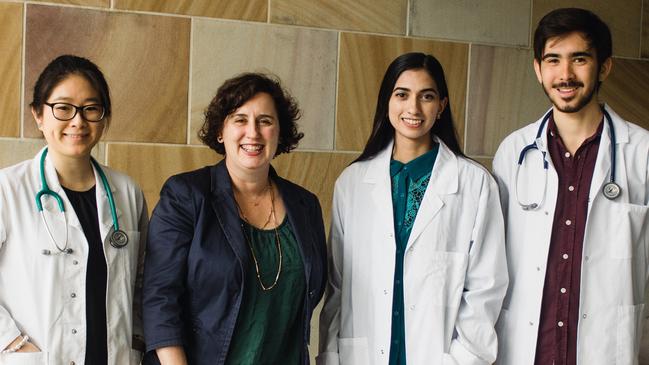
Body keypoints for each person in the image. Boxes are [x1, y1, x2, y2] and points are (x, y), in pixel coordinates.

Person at [317, 52, 508, 365]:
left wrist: (464, 358)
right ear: (387, 102)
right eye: (402, 94)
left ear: (442, 106)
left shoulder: (474, 184)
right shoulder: (351, 183)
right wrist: (331, 356)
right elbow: (337, 288)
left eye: (427, 96)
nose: (413, 109)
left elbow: (486, 288)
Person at [493, 8, 649, 365]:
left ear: (604, 67)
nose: (565, 75)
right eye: (553, 60)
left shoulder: (642, 153)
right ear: (538, 69)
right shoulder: (513, 152)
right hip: (527, 350)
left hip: (607, 350)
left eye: (579, 59)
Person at [142, 73, 327, 365]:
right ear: (220, 131)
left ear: (279, 133)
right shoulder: (186, 196)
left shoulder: (305, 205)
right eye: (240, 120)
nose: (252, 133)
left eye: (265, 121)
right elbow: (159, 298)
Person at [0, 55, 148, 364]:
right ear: (39, 115)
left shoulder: (127, 192)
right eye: (63, 108)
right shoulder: (7, 190)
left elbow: (141, 284)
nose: (78, 121)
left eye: (91, 109)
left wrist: (137, 339)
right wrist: (12, 342)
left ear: (104, 118)